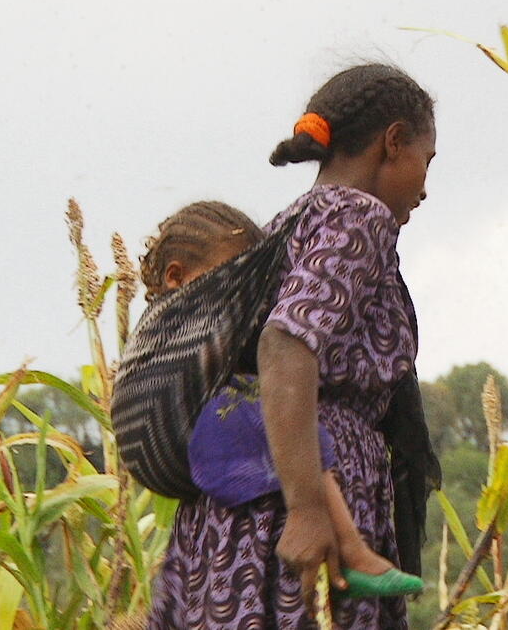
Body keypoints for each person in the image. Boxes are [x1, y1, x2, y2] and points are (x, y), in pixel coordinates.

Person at [148, 63, 436, 629]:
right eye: (425, 163)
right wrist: (307, 507)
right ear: (393, 142)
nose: (425, 189)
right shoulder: (358, 216)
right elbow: (285, 342)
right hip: (291, 504)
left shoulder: (290, 222)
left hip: (240, 510)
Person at [138, 200, 422, 596]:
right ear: (176, 277)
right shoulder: (178, 323)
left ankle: (353, 550)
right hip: (210, 434)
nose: (244, 295)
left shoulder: (183, 318)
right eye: (232, 276)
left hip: (210, 444)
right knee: (300, 437)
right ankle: (354, 550)